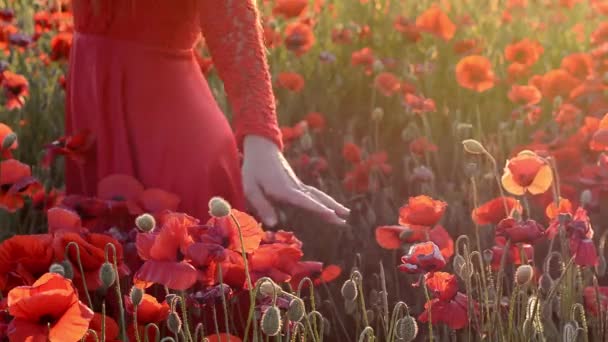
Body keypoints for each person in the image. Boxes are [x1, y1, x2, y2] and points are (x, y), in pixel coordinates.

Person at [65, 0, 349, 226]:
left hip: (168, 136)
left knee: (175, 281)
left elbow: (231, 14)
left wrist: (261, 135)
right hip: (94, 110)